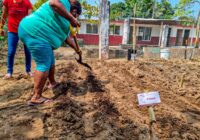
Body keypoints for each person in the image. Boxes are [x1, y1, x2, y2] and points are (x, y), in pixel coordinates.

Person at [18, 0, 82, 105]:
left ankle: (52, 83)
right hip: (36, 33)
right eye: (77, 15)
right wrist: (71, 18)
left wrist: (77, 49)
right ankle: (36, 96)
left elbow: (67, 38)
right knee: (44, 64)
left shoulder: (65, 20)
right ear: (74, 11)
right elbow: (54, 3)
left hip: (37, 34)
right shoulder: (65, 3)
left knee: (51, 60)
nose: (76, 18)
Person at [0, 0, 33, 79]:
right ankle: (9, 72)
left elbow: (30, 18)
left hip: (24, 30)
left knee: (28, 51)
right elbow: (4, 15)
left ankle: (28, 71)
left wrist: (31, 31)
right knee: (11, 52)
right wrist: (1, 27)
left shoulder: (27, 3)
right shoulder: (7, 1)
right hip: (12, 31)